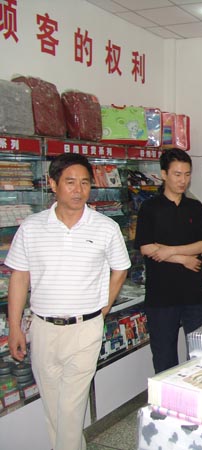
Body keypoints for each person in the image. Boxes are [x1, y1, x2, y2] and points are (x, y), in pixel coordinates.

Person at [6, 153, 131, 450]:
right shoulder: (32, 227)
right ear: (53, 184)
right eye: (70, 182)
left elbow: (120, 269)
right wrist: (14, 327)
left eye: (85, 183)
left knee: (71, 410)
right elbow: (19, 278)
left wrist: (103, 308)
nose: (78, 190)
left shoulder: (105, 227)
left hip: (85, 329)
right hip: (43, 329)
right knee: (54, 409)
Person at [134, 148, 202, 374]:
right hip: (161, 295)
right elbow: (146, 247)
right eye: (177, 174)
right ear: (164, 174)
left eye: (187, 174)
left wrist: (168, 251)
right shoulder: (150, 207)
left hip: (194, 294)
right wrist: (183, 259)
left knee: (198, 354)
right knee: (164, 355)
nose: (183, 180)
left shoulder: (194, 207)